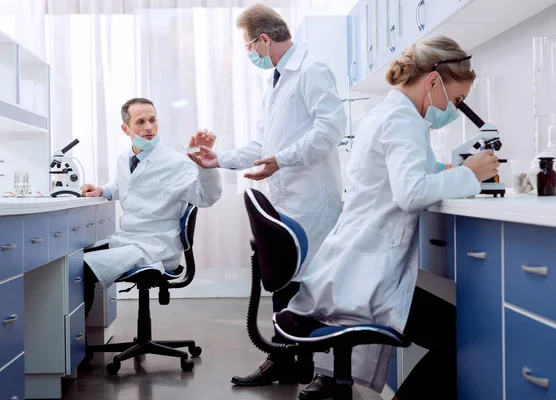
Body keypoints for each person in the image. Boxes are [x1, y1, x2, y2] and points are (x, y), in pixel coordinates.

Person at [277, 36, 500, 400]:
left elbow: (410, 172)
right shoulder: (403, 119)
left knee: (457, 329)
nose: (455, 110)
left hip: (353, 265)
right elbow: (411, 192)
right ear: (432, 81)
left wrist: (456, 168)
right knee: (468, 335)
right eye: (456, 100)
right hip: (367, 277)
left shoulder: (387, 112)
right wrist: (470, 175)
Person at [188, 3, 347, 387]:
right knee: (286, 282)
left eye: (249, 46)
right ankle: (286, 360)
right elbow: (265, 144)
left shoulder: (311, 70)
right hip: (287, 197)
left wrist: (281, 159)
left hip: (312, 200)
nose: (249, 54)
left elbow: (331, 129)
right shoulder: (277, 80)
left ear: (264, 39)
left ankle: (313, 368)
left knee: (308, 285)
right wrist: (219, 159)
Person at [80, 97, 222, 319]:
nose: (148, 127)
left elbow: (207, 197)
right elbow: (123, 184)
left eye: (152, 120)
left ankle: (76, 348)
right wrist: (102, 190)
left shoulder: (176, 162)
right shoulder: (124, 159)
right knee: (72, 261)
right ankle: (73, 341)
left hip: (156, 246)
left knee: (81, 270)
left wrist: (206, 167)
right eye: (140, 122)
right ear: (125, 128)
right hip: (129, 240)